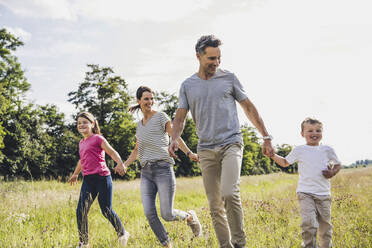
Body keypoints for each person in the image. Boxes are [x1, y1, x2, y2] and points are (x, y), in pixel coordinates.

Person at [169, 35, 274, 248]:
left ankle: (240, 244)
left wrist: (266, 136)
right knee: (215, 204)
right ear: (198, 56)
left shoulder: (229, 78)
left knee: (229, 192)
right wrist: (174, 139)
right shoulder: (188, 85)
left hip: (231, 143)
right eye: (211, 58)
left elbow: (249, 108)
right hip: (206, 148)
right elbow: (179, 117)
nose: (216, 63)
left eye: (218, 58)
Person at [124, 86, 202, 248]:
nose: (150, 102)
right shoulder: (139, 126)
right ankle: (167, 244)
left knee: (167, 214)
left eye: (152, 98)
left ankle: (190, 217)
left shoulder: (161, 117)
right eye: (146, 99)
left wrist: (189, 153)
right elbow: (137, 150)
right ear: (139, 101)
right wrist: (124, 164)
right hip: (146, 172)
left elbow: (175, 137)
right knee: (149, 213)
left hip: (163, 169)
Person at [270, 118, 341, 248]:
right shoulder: (299, 150)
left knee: (325, 226)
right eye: (310, 130)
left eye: (318, 130)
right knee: (308, 223)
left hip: (324, 194)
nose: (314, 133)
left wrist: (332, 172)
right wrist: (273, 155)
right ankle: (309, 245)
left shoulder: (327, 149)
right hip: (305, 193)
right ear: (302, 134)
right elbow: (285, 162)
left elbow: (336, 164)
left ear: (322, 132)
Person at [68, 111, 129, 248]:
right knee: (81, 211)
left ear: (92, 124)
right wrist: (75, 174)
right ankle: (84, 243)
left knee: (106, 210)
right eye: (79, 123)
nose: (81, 125)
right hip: (88, 180)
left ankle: (123, 233)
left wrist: (120, 163)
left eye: (85, 122)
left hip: (102, 178)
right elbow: (82, 160)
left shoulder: (98, 139)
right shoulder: (81, 143)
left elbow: (112, 152)